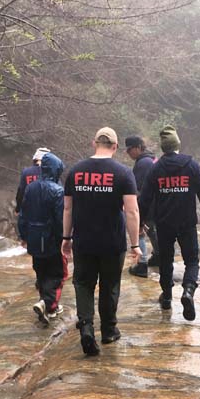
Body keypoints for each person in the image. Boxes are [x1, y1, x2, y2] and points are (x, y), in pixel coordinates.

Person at [62, 127, 141, 355]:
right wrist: (135, 244)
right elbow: (132, 211)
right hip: (112, 242)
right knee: (109, 285)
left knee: (83, 284)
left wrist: (66, 238)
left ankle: (86, 327)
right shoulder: (124, 173)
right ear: (115, 147)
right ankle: (108, 331)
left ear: (93, 143)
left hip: (84, 241)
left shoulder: (75, 172)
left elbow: (68, 208)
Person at [139, 125, 200, 321]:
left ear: (163, 147)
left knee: (166, 260)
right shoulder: (191, 165)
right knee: (192, 260)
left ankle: (166, 297)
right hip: (187, 221)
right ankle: (188, 290)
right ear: (177, 144)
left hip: (164, 223)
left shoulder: (156, 169)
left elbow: (145, 198)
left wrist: (140, 221)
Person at [20, 152, 67, 325]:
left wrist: (23, 235)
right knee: (56, 274)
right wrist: (65, 239)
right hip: (51, 239)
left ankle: (44, 303)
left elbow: (23, 215)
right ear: (56, 170)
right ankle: (49, 305)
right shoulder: (58, 191)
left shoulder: (30, 188)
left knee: (41, 272)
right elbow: (60, 219)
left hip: (33, 237)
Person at [125, 135, 159, 277]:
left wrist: (134, 208)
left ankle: (142, 264)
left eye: (130, 149)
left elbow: (138, 189)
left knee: (139, 230)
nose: (128, 152)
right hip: (156, 203)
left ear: (138, 147)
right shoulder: (150, 159)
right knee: (152, 231)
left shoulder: (143, 163)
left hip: (148, 204)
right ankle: (159, 256)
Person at [15, 146, 50, 242]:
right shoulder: (51, 172)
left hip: (30, 209)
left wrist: (18, 208)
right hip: (47, 211)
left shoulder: (26, 172)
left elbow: (21, 191)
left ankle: (25, 241)